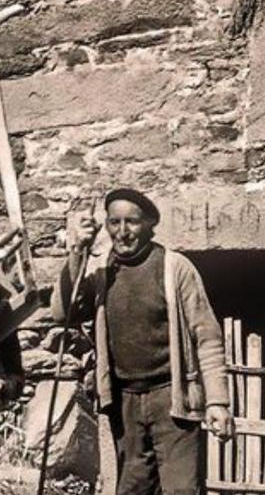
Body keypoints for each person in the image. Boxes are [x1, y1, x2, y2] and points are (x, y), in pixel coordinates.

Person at [53, 188, 235, 495]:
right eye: (114, 223)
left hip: (172, 400)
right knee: (132, 490)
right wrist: (76, 253)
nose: (122, 233)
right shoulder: (100, 270)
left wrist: (217, 401)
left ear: (150, 223)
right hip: (124, 401)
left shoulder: (175, 267)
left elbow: (207, 338)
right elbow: (62, 313)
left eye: (132, 222)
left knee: (182, 490)